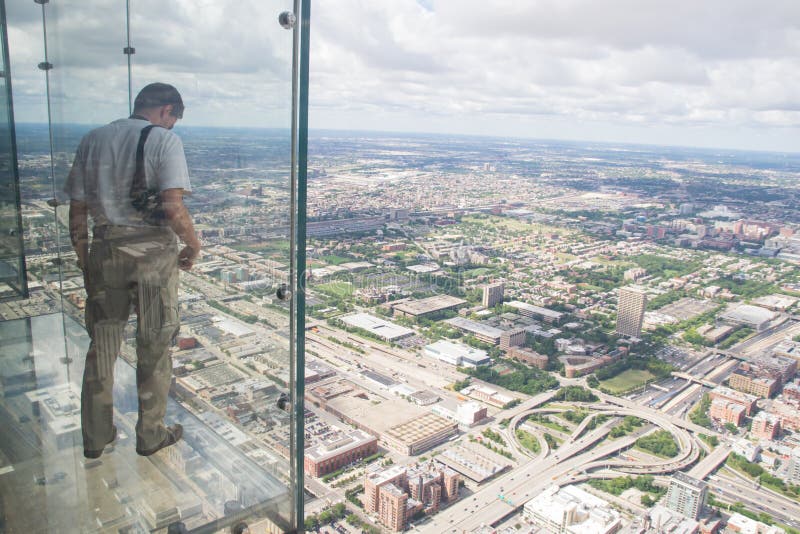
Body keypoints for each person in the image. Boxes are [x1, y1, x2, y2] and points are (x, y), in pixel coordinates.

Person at [65, 83, 200, 458]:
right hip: (152, 259)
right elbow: (173, 208)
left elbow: (77, 209)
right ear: (167, 111)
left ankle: (95, 437)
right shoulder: (163, 141)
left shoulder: (93, 139)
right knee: (154, 347)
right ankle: (150, 434)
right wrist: (193, 244)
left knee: (103, 347)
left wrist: (83, 255)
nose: (171, 127)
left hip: (105, 250)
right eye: (172, 120)